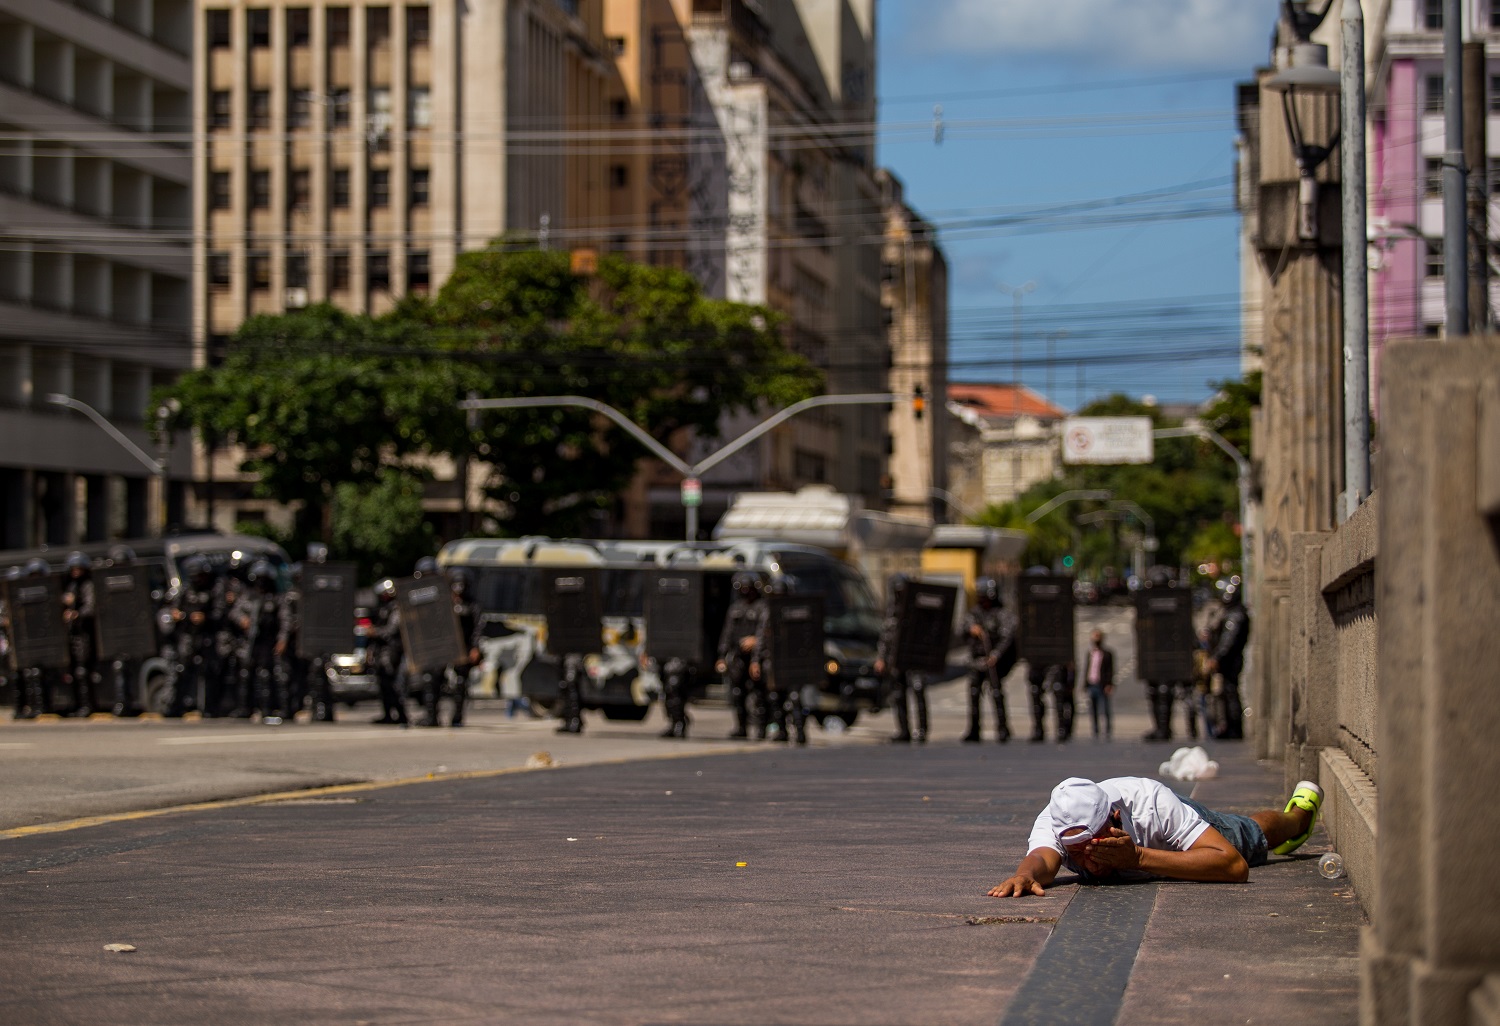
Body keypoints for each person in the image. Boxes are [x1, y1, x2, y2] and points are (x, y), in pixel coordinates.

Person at [988, 776, 1325, 896]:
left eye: (1096, 844)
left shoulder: (1152, 804)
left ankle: (1297, 817)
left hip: (1172, 827)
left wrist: (1138, 858)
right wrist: (1024, 876)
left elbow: (1234, 867)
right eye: (1076, 852)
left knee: (1248, 834)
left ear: (1115, 818)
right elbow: (1042, 860)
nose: (1088, 858)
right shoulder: (1058, 820)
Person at [960, 577, 1016, 743]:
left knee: (997, 693)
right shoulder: (975, 613)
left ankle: (1003, 728)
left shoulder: (1001, 614)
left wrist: (996, 655)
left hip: (994, 662)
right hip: (977, 660)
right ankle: (974, 729)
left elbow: (1008, 636)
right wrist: (971, 629)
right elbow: (962, 628)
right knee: (974, 694)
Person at [874, 574, 928, 744]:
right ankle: (904, 730)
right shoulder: (893, 610)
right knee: (898, 693)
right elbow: (886, 636)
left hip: (914, 657)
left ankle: (922, 729)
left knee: (918, 690)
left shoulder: (918, 609)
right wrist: (881, 658)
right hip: (896, 659)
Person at [716, 571, 767, 740]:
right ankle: (741, 727)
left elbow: (763, 633)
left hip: (757, 657)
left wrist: (756, 658)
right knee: (738, 693)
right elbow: (727, 633)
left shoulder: (762, 608)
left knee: (759, 693)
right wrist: (722, 656)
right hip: (738, 657)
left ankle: (761, 729)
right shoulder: (736, 608)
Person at [1208, 581, 1249, 739]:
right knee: (1227, 691)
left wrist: (1218, 657)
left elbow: (1228, 641)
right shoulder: (1234, 613)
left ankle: (1233, 727)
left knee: (1230, 692)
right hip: (1230, 659)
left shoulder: (1235, 615)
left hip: (1230, 661)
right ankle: (1229, 726)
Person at [367, 578, 409, 726]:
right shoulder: (382, 608)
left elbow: (392, 630)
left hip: (393, 650)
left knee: (394, 684)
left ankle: (402, 715)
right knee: (383, 684)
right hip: (381, 650)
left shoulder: (396, 608)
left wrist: (375, 632)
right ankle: (388, 715)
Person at [60, 552, 97, 716]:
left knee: (82, 670)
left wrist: (77, 614)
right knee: (72, 670)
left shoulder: (88, 585)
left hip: (84, 633)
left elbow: (91, 607)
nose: (76, 572)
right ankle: (75, 704)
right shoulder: (71, 586)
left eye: (79, 569)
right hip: (71, 633)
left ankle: (86, 705)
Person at [1081, 629, 1114, 739]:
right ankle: (1095, 729)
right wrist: (1085, 684)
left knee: (1105, 708)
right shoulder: (1090, 653)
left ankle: (1108, 729)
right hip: (1092, 683)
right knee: (1093, 708)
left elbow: (1110, 670)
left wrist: (1109, 684)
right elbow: (1087, 668)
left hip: (1102, 684)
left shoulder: (1107, 653)